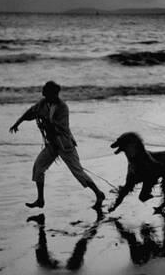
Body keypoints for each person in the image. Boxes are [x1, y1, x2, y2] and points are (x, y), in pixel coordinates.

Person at [9, 81, 105, 210]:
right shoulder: (43, 103)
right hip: (51, 145)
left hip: (65, 145)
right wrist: (17, 123)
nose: (43, 93)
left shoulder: (62, 107)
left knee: (78, 172)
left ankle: (99, 194)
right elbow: (30, 112)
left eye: (45, 91)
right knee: (38, 168)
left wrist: (45, 123)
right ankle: (40, 199)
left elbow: (60, 127)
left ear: (52, 93)